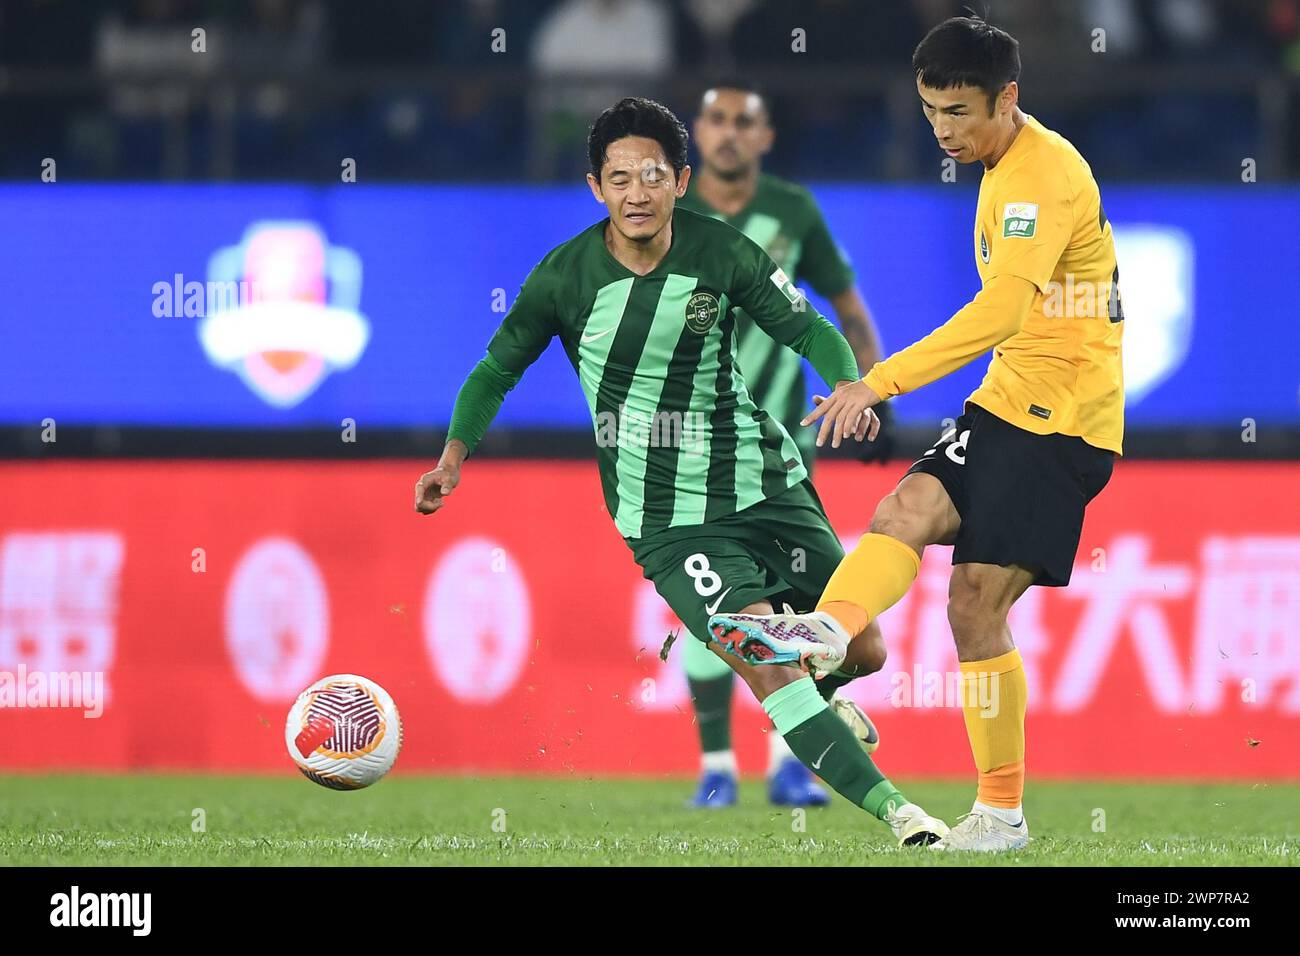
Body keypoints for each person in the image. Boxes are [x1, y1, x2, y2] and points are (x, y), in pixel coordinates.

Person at [416, 96, 947, 845]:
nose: (637, 193)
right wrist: (452, 457)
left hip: (765, 483)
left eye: (653, 176)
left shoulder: (721, 251)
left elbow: (808, 325)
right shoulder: (563, 278)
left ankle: (827, 700)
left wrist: (849, 384)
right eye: (619, 178)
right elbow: (495, 370)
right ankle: (908, 819)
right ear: (596, 188)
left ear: (682, 181)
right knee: (770, 665)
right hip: (667, 520)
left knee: (863, 649)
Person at [710, 16, 1124, 852]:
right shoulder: (1001, 161)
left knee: (974, 604)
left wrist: (880, 380)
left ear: (1008, 98)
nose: (943, 130)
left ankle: (1000, 813)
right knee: (904, 509)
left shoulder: (1039, 176)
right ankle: (827, 634)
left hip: (1061, 419)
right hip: (1010, 401)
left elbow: (1004, 310)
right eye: (932, 110)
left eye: (960, 112)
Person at [674, 77, 889, 809]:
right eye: (716, 120)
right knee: (719, 608)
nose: (729, 132)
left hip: (782, 449)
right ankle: (717, 766)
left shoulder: (793, 211)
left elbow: (846, 308)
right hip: (693, 445)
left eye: (744, 122)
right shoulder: (669, 214)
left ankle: (786, 761)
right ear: (697, 136)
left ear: (766, 138)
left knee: (796, 604)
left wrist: (870, 392)